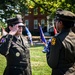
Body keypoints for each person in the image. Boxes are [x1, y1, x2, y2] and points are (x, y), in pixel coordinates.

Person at [46, 9, 75, 75]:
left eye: (56, 21)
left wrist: (48, 52)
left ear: (60, 23)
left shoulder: (56, 39)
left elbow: (52, 63)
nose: (55, 23)